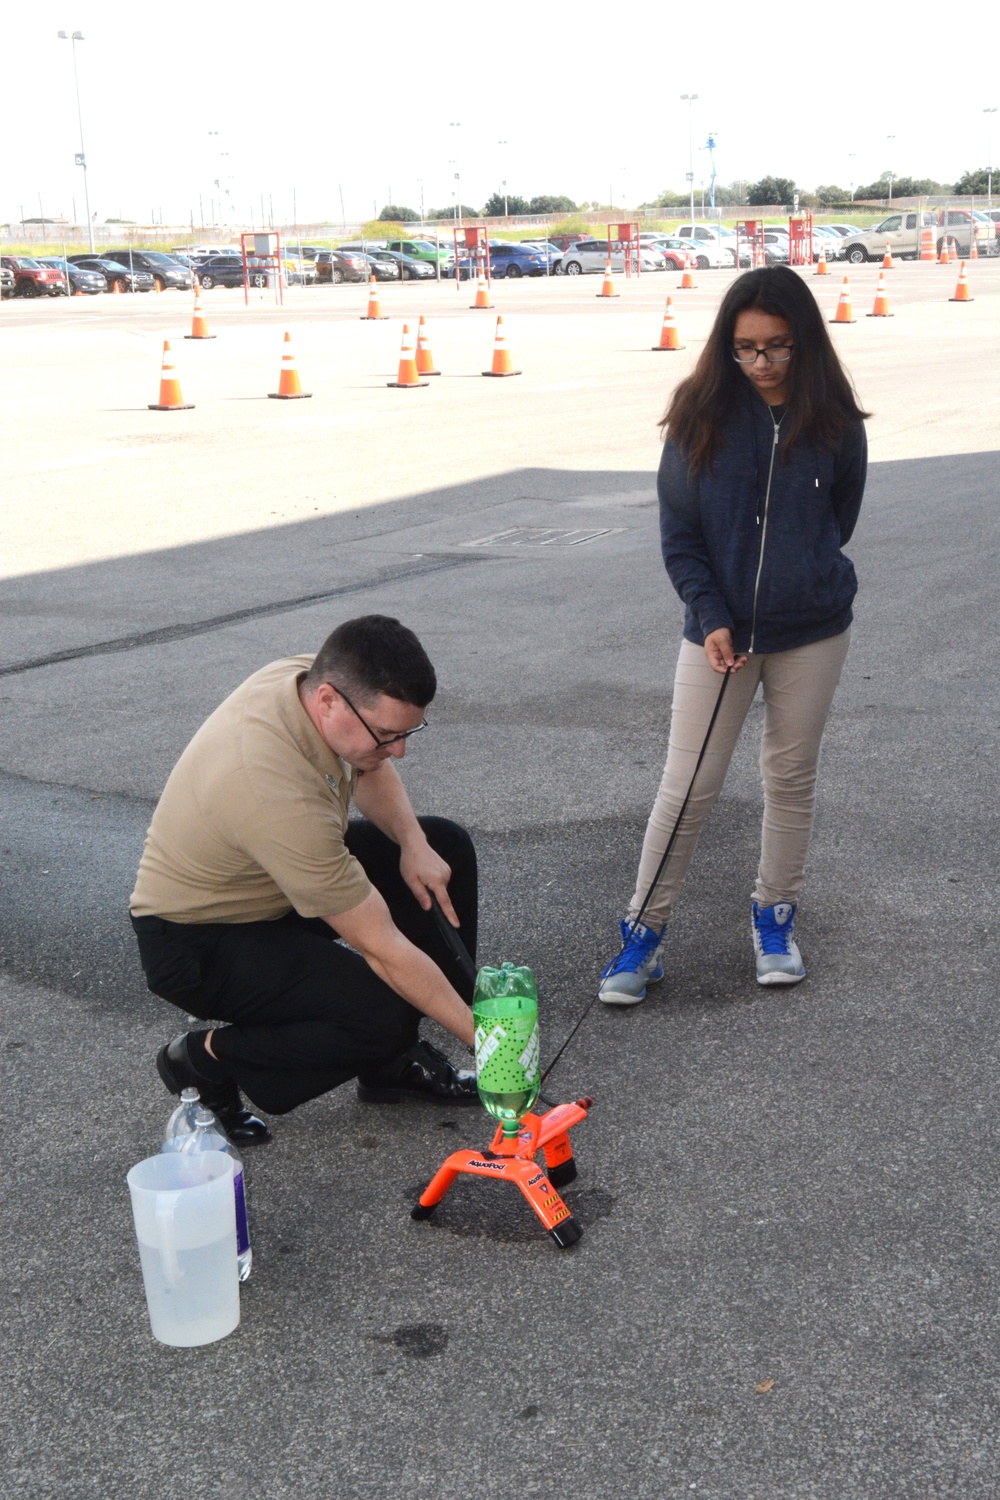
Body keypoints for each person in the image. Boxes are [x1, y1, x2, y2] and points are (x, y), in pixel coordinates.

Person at [599, 265, 869, 1004]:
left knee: (789, 776)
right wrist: (714, 613)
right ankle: (642, 936)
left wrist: (795, 576)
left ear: (804, 340)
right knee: (688, 787)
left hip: (812, 629)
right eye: (745, 348)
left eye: (776, 346)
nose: (760, 363)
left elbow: (837, 520)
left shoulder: (833, 418)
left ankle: (774, 919)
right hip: (718, 633)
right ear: (726, 346)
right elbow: (679, 532)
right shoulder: (700, 413)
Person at [131, 615, 479, 1144]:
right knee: (379, 1011)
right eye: (387, 734)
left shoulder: (307, 678)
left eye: (406, 732)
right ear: (328, 702)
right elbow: (382, 947)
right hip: (199, 941)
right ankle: (205, 1060)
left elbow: (369, 764)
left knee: (441, 847)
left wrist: (413, 845)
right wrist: (492, 1046)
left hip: (269, 883)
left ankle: (390, 1065)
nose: (400, 750)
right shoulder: (271, 791)